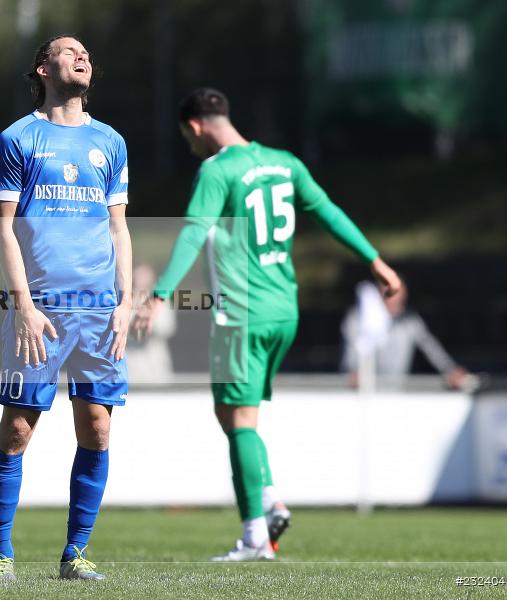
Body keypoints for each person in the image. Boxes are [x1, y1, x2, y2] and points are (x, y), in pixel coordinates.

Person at [133, 88, 401, 561]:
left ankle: (256, 535)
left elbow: (195, 230)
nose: (191, 146)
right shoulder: (284, 163)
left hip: (242, 313)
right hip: (284, 311)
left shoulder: (217, 170)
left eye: (187, 137)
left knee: (239, 420)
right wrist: (375, 260)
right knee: (232, 413)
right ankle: (270, 498)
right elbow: (329, 212)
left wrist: (158, 294)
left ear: (195, 127)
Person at [0, 34, 132, 582]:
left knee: (96, 427)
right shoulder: (17, 140)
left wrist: (124, 302)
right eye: (70, 51)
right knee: (19, 428)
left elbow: (119, 228)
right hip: (41, 309)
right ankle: (1, 554)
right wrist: (22, 305)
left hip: (98, 313)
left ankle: (76, 554)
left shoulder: (110, 142)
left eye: (88, 51)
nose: (83, 55)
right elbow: (3, 231)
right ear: (44, 68)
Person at [341, 280, 473, 389]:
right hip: (363, 393)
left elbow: (430, 347)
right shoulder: (358, 319)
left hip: (397, 392)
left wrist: (449, 369)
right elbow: (351, 352)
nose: (396, 303)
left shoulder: (410, 321)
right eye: (391, 296)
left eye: (400, 298)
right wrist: (353, 372)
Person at [126, 264, 176, 384]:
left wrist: (146, 322)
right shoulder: (124, 300)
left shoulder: (161, 300)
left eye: (144, 276)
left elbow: (167, 328)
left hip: (155, 365)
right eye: (137, 276)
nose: (140, 280)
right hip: (131, 365)